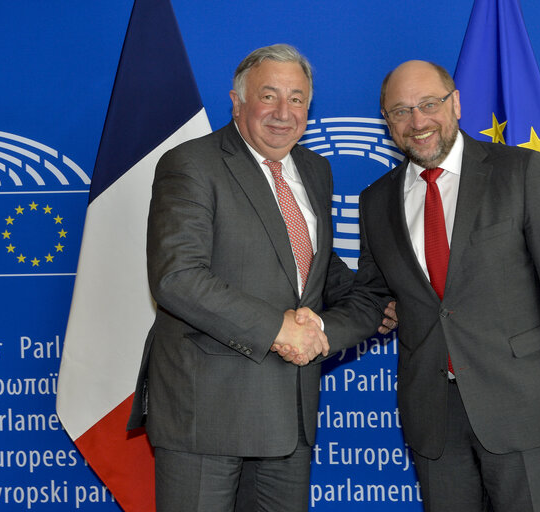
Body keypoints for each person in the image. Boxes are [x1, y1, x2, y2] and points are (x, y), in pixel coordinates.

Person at [126, 44, 393, 512]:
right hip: (205, 413)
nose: (283, 113)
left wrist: (370, 308)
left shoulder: (316, 169)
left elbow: (310, 265)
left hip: (288, 416)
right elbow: (177, 277)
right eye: (269, 96)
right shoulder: (191, 163)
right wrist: (280, 329)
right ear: (237, 100)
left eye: (296, 99)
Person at [354, 60, 540, 511]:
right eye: (400, 111)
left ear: (454, 104)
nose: (417, 121)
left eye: (429, 104)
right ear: (387, 123)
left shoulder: (521, 172)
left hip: (529, 414)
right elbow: (375, 293)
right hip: (435, 421)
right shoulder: (375, 201)